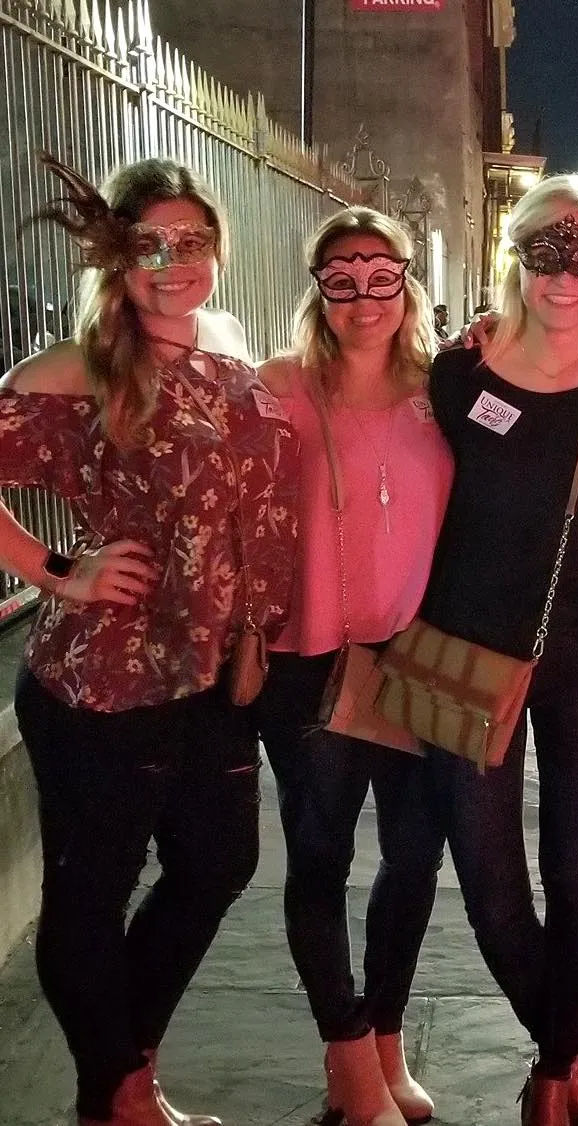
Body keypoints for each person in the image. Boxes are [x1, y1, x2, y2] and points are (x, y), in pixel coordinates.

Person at [1, 155, 298, 1126]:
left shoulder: (226, 342)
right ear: (116, 258)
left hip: (212, 673)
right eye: (150, 245)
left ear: (218, 246)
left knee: (218, 865)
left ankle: (125, 1073)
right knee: (91, 893)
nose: (174, 263)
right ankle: (121, 1095)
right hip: (102, 682)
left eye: (192, 241)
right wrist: (58, 569)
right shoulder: (82, 363)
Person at [407, 174, 578, 1126]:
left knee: (576, 873)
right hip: (464, 657)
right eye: (546, 253)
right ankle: (566, 1045)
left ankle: (555, 1078)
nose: (566, 276)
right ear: (516, 258)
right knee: (488, 882)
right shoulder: (459, 375)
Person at [255, 206, 452, 1126]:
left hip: (420, 660)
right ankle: (346, 1056)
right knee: (321, 854)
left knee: (413, 858)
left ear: (407, 282)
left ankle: (386, 1041)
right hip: (311, 658)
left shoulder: (448, 388)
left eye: (382, 276)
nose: (364, 298)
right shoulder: (276, 387)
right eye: (342, 279)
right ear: (318, 290)